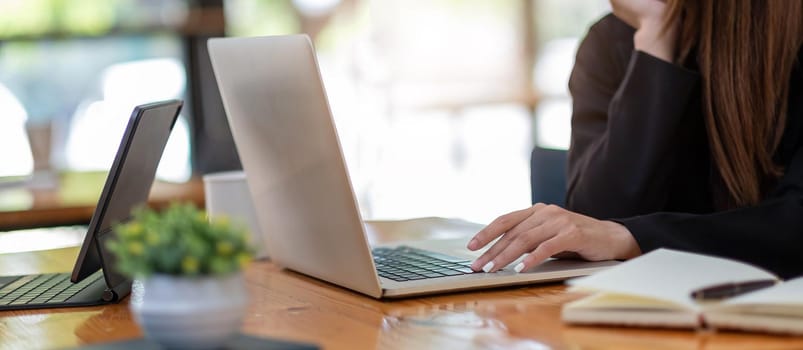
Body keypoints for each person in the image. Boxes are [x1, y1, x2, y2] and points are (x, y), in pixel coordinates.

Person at [468, 0, 803, 278]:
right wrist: (655, 42)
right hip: (650, 310)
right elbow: (596, 225)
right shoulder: (613, 41)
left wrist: (634, 237)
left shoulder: (790, 34)